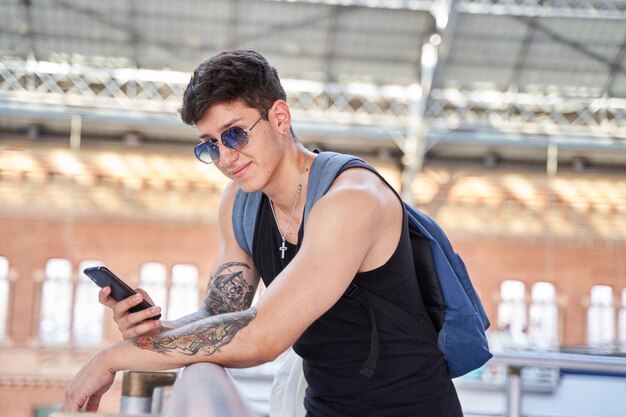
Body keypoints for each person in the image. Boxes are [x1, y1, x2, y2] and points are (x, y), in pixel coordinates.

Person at [62, 49, 463, 416]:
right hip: (324, 409)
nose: (225, 157)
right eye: (209, 146)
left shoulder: (351, 198)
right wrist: (154, 331)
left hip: (412, 408)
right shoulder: (240, 203)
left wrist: (113, 357)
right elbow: (221, 314)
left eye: (235, 134)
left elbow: (262, 337)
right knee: (198, 377)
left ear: (279, 118)